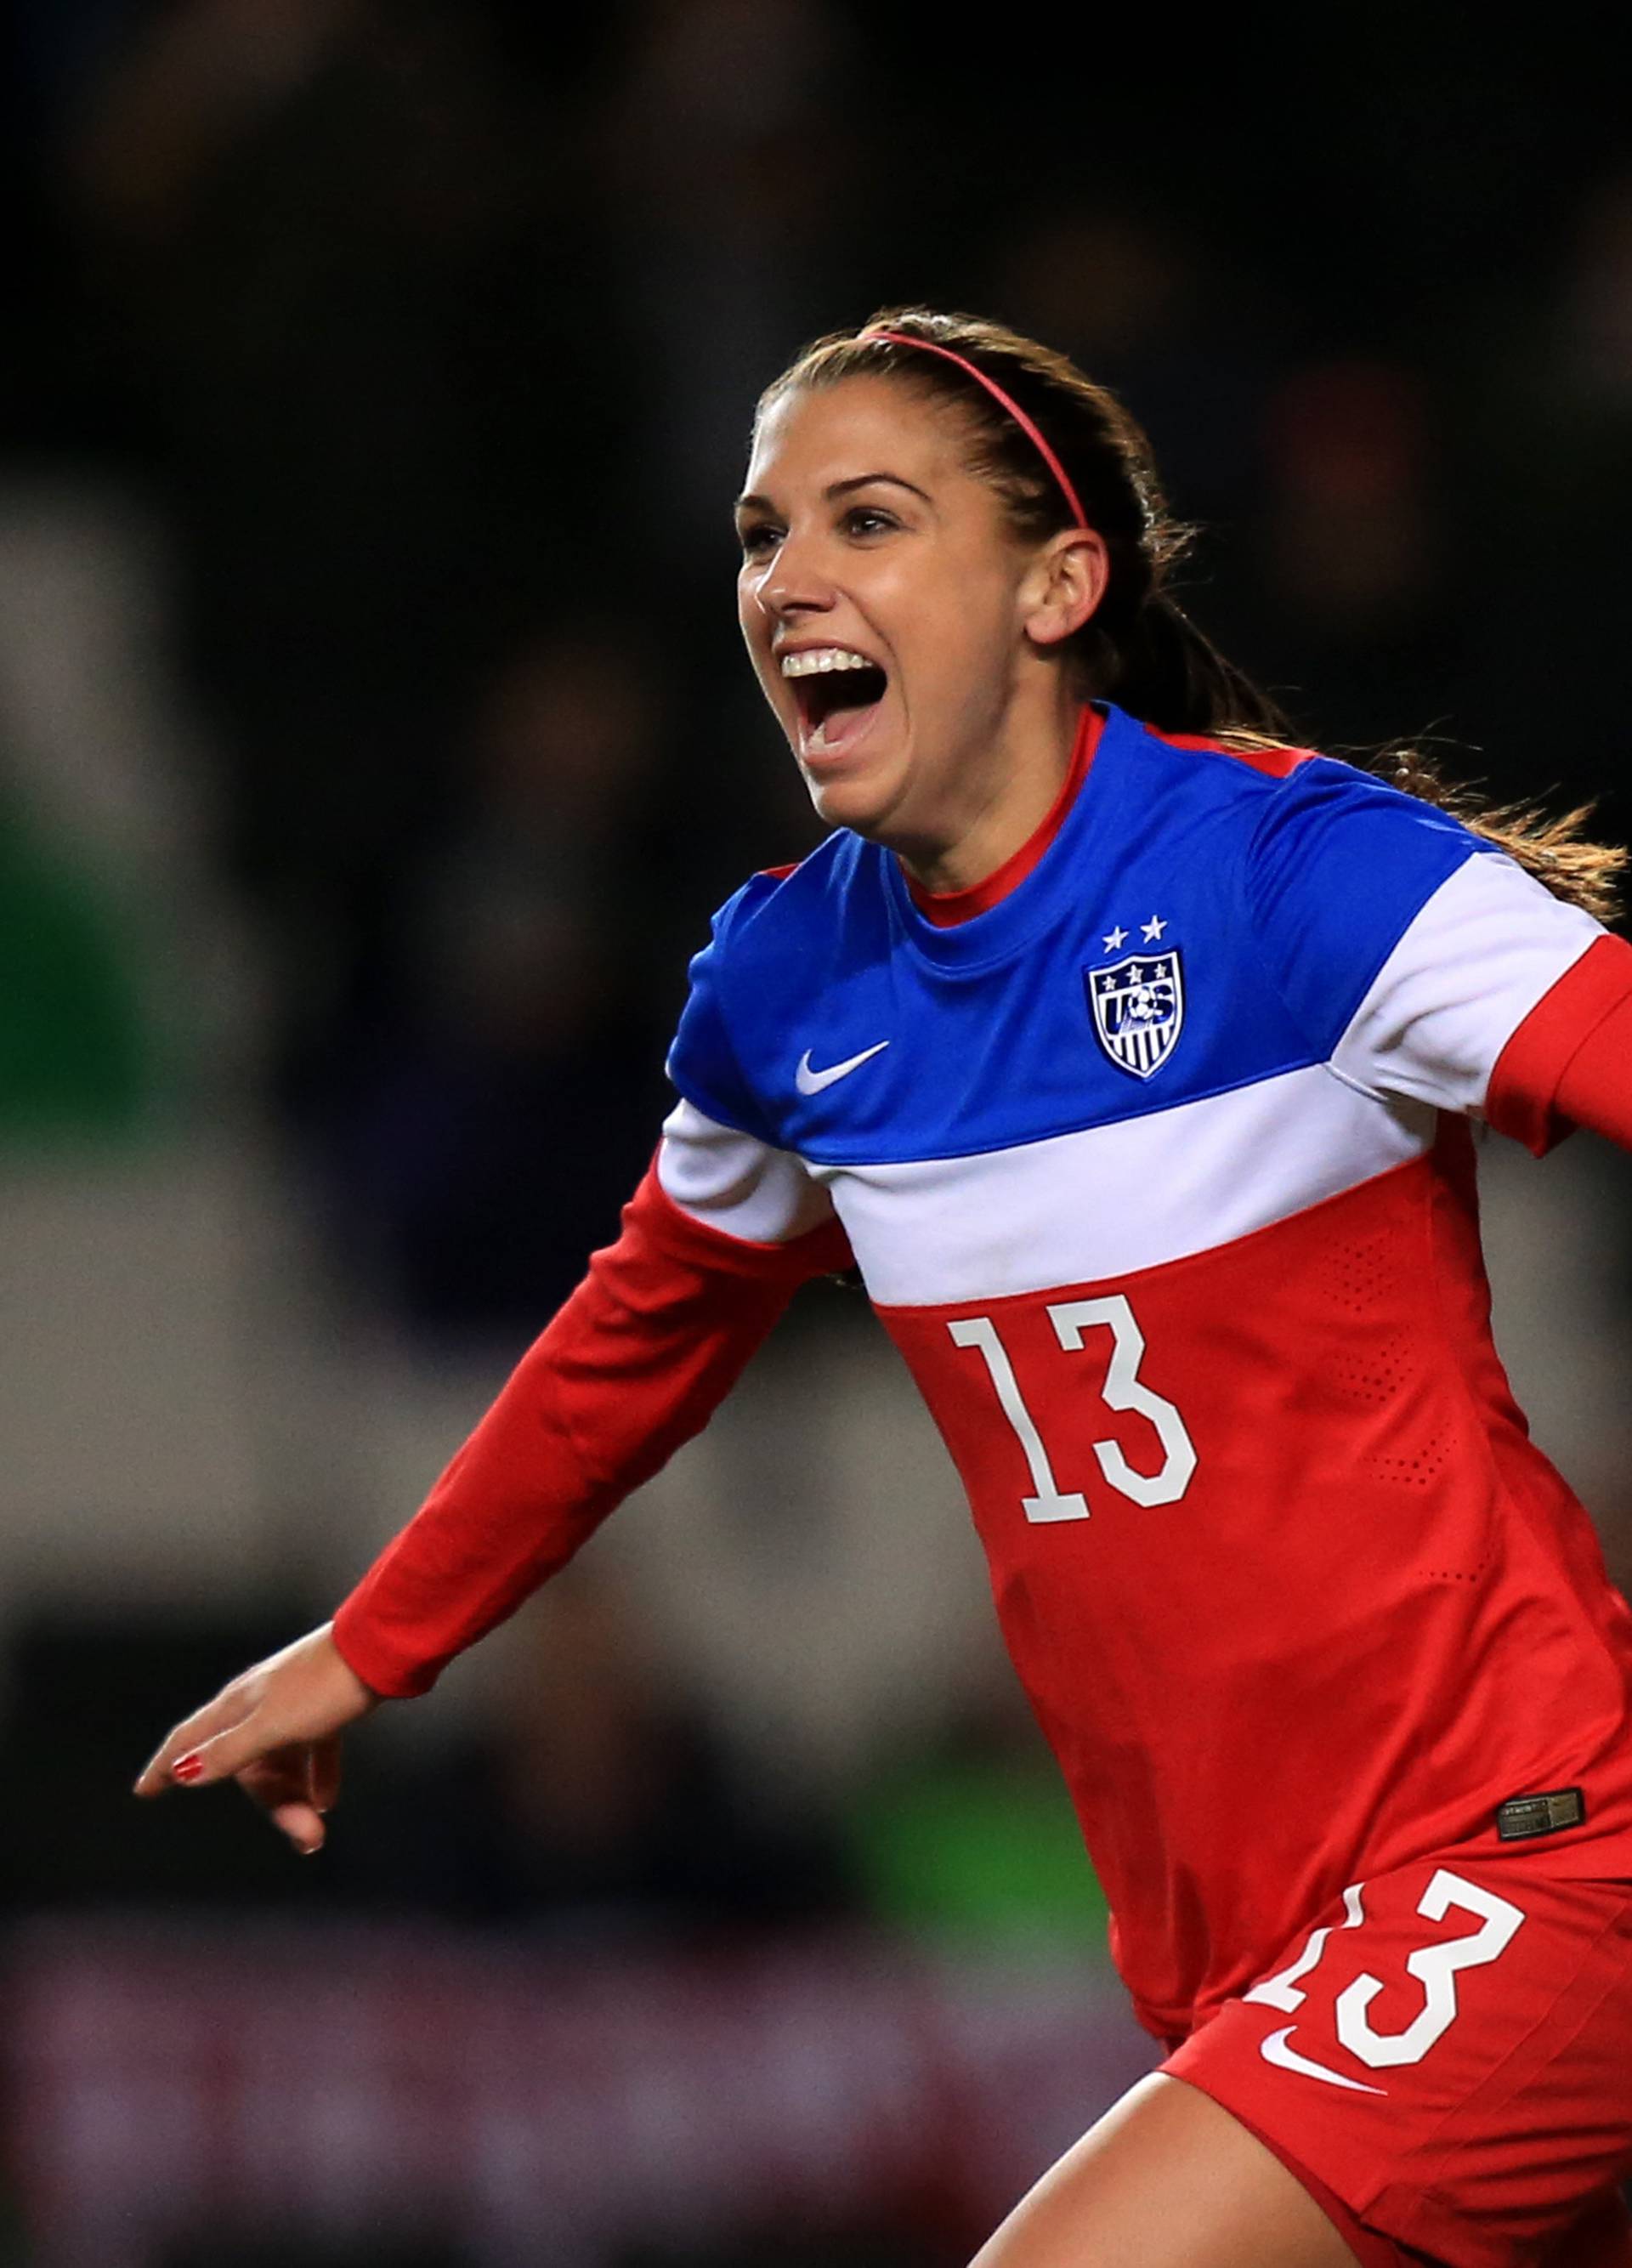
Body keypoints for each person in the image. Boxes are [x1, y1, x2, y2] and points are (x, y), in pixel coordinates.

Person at [137, 310, 1632, 2268]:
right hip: (1230, 1944)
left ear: (1055, 583)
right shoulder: (789, 987)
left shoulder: (1295, 877)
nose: (790, 581)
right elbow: (633, 1340)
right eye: (763, 534)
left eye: (869, 516)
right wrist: (374, 1642)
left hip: (1515, 1861)